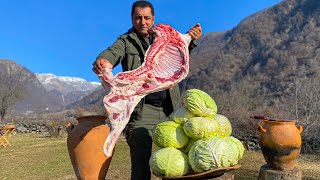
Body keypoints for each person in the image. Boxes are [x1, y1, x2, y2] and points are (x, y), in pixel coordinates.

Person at [92, 1, 202, 179]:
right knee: (141, 166)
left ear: (153, 19)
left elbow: (178, 50)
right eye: (138, 18)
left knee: (177, 164)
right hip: (142, 112)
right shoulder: (126, 41)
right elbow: (112, 52)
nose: (142, 22)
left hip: (170, 110)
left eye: (146, 18)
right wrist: (103, 60)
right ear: (132, 19)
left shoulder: (165, 35)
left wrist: (192, 38)